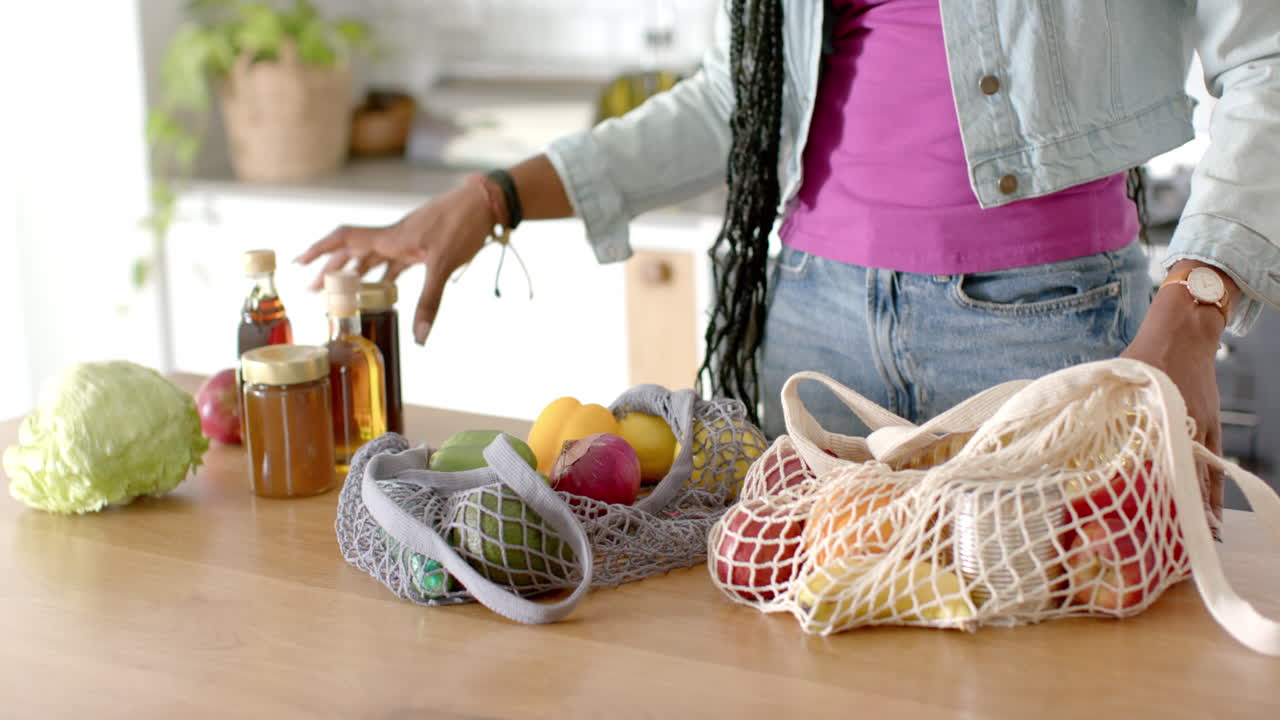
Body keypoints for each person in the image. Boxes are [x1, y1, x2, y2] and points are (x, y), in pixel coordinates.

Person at [298, 1, 1280, 534]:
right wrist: (496, 195)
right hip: (811, 333)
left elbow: (1263, 56)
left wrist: (1193, 304)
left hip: (1042, 330)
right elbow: (742, 96)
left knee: (1058, 672)